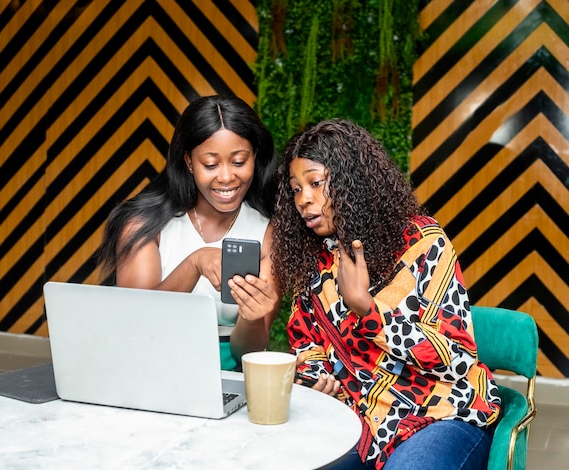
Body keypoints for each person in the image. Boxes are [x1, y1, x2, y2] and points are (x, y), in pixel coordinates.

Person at [271, 119, 501, 469]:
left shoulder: (422, 245)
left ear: (352, 183)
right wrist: (316, 377)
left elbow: (455, 359)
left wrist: (368, 310)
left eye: (316, 183)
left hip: (440, 411)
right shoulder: (315, 259)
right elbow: (307, 344)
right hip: (356, 421)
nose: (304, 199)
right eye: (295, 188)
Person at [97, 95, 280, 371]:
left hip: (225, 375)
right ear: (189, 162)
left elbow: (247, 351)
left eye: (239, 162)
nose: (227, 177)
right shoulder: (144, 225)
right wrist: (194, 263)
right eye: (210, 164)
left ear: (255, 156)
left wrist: (253, 319)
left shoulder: (268, 234)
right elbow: (136, 324)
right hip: (146, 367)